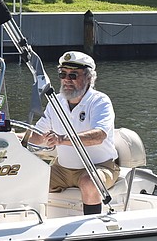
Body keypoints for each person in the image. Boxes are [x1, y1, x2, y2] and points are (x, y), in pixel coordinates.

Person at [24, 51, 118, 215]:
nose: (67, 79)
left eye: (73, 75)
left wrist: (62, 139)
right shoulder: (56, 101)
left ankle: (92, 229)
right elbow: (38, 135)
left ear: (89, 78)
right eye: (63, 74)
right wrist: (8, 135)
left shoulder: (99, 101)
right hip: (62, 169)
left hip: (99, 166)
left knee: (90, 182)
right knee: (26, 180)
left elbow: (99, 136)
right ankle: (27, 224)